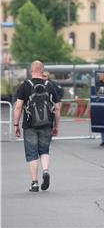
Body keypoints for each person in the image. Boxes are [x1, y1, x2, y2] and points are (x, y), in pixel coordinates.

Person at [13, 60, 61, 192]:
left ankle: (34, 183)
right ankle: (45, 171)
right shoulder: (49, 85)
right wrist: (56, 125)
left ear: (31, 70)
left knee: (32, 154)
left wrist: (16, 124)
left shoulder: (25, 86)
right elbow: (57, 108)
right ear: (42, 71)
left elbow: (18, 107)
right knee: (44, 151)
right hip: (47, 124)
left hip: (29, 125)